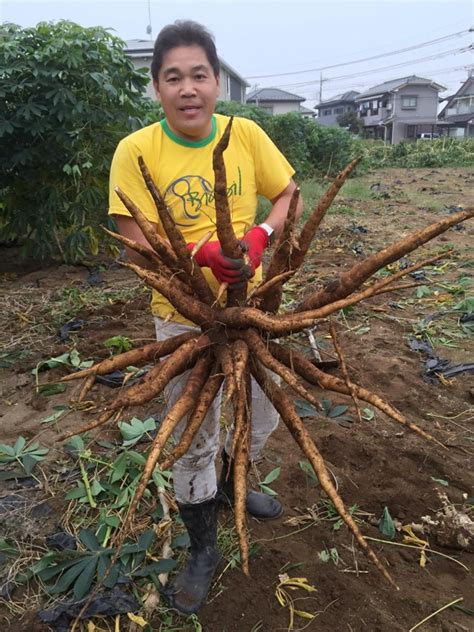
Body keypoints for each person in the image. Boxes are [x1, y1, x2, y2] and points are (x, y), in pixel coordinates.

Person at [109, 20, 302, 615]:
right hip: (183, 320)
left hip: (252, 310)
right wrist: (197, 255)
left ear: (216, 82)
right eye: (174, 78)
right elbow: (130, 238)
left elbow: (289, 191)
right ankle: (200, 545)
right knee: (191, 430)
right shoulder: (136, 150)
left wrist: (261, 234)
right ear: (157, 87)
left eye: (199, 75)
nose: (188, 88)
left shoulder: (245, 134)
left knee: (262, 413)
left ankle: (225, 483)